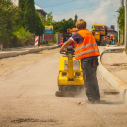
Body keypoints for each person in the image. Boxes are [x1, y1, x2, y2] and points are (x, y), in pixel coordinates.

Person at [60, 19, 100, 104]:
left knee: (87, 79)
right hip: (94, 59)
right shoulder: (89, 33)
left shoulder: (77, 34)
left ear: (77, 27)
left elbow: (68, 42)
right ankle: (97, 98)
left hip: (86, 60)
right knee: (93, 78)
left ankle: (91, 100)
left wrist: (61, 49)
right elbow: (85, 45)